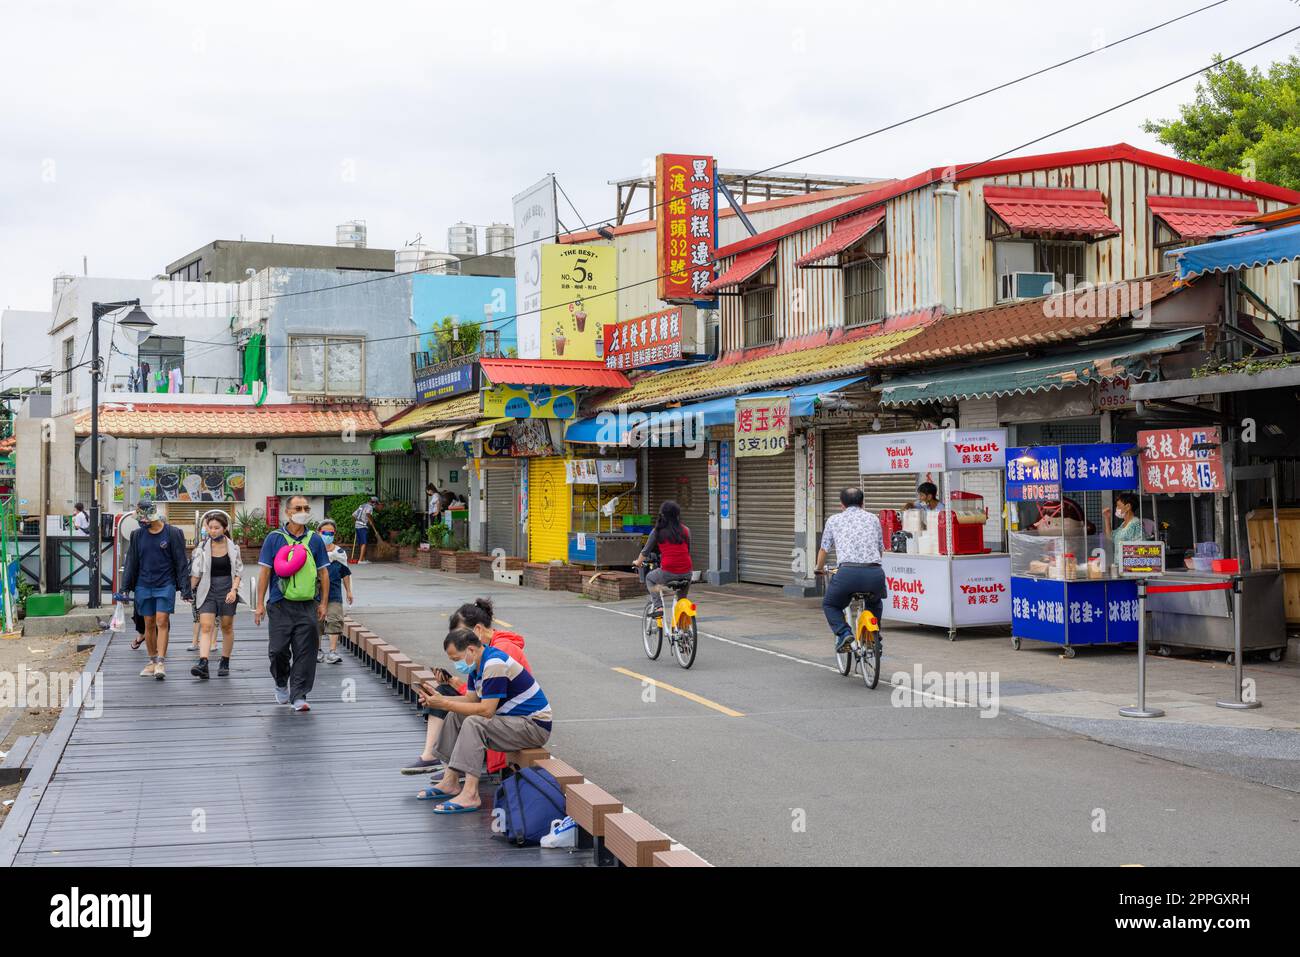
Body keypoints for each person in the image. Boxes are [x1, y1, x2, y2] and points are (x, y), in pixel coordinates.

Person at [419, 627, 552, 814]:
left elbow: (486, 710)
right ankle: (450, 781)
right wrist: (439, 702)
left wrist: (446, 703)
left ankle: (471, 794)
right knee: (455, 715)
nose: (457, 665)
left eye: (456, 659)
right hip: (512, 722)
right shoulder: (477, 665)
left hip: (533, 726)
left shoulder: (494, 664)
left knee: (474, 723)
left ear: (471, 650)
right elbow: (471, 700)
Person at [404, 597, 530, 782]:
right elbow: (479, 694)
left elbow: (486, 704)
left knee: (455, 707)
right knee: (444, 695)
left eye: (460, 634)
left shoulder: (500, 652)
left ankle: (455, 772)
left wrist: (449, 697)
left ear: (477, 630)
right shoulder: (481, 651)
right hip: (497, 712)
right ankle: (443, 766)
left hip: (509, 718)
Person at [254, 494, 330, 711]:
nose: (303, 511)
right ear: (287, 512)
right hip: (279, 604)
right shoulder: (274, 538)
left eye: (306, 508)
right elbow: (265, 572)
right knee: (278, 651)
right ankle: (280, 683)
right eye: (298, 508)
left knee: (306, 651)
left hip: (308, 604)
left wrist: (323, 603)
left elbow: (324, 573)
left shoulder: (315, 539)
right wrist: (260, 604)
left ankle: (299, 695)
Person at [116, 499, 191, 680]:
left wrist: (186, 589)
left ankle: (160, 661)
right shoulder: (137, 535)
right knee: (148, 623)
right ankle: (151, 660)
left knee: (162, 620)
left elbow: (181, 562)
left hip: (166, 583)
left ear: (151, 516)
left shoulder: (173, 533)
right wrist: (124, 588)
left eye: (142, 518)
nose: (141, 522)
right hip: (143, 584)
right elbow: (131, 562)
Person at [815, 487, 887, 653]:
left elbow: (824, 549)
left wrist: (818, 568)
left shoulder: (834, 520)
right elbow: (880, 549)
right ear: (862, 503)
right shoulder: (873, 519)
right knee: (875, 602)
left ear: (842, 504)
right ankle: (873, 636)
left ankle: (844, 633)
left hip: (848, 574)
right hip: (874, 573)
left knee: (830, 604)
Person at [189, 510, 242, 679]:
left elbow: (238, 572)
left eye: (216, 528)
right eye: (210, 528)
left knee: (226, 626)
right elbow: (196, 572)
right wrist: (189, 590)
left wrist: (234, 590)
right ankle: (203, 662)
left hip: (227, 589)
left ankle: (225, 660)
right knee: (206, 626)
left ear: (224, 528)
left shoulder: (233, 548)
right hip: (207, 589)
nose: (212, 531)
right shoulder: (202, 548)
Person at [632, 500, 692, 615]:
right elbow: (688, 551)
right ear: (677, 515)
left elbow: (645, 552)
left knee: (650, 578)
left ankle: (658, 607)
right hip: (687, 572)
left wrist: (638, 562)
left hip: (668, 572)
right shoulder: (686, 530)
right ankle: (683, 629)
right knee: (682, 600)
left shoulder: (657, 531)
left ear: (662, 515)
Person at [316, 519, 351, 665]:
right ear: (319, 533)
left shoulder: (340, 553)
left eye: (331, 533)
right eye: (325, 533)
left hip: (335, 593)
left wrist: (349, 591)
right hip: (316, 593)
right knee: (317, 623)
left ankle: (332, 651)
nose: (328, 535)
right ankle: (317, 651)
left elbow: (346, 573)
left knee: (335, 621)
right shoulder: (314, 551)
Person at [351, 495, 379, 564]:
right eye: (376, 504)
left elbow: (353, 515)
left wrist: (356, 522)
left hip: (357, 525)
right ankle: (360, 560)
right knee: (364, 543)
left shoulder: (362, 505)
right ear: (374, 503)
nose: (376, 505)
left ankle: (363, 559)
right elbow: (368, 514)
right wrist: (371, 521)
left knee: (361, 542)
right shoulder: (370, 507)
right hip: (363, 526)